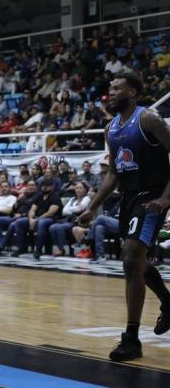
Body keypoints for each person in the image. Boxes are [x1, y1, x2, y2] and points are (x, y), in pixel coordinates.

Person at [77, 72, 170, 361]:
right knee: (134, 262)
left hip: (153, 197)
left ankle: (131, 339)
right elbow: (113, 174)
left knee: (131, 258)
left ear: (133, 92)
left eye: (117, 87)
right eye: (109, 87)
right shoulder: (111, 129)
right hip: (129, 198)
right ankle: (168, 301)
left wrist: (166, 198)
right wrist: (92, 206)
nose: (111, 91)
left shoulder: (149, 119)